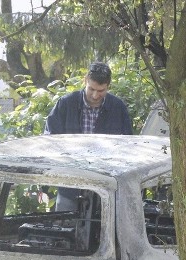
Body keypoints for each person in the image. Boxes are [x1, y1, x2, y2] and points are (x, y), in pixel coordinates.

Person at [44, 62, 133, 209]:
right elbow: (49, 140)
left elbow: (128, 146)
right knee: (65, 229)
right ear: (85, 80)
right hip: (69, 187)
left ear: (108, 86)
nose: (95, 95)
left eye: (101, 91)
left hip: (106, 189)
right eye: (91, 89)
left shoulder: (118, 108)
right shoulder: (66, 104)